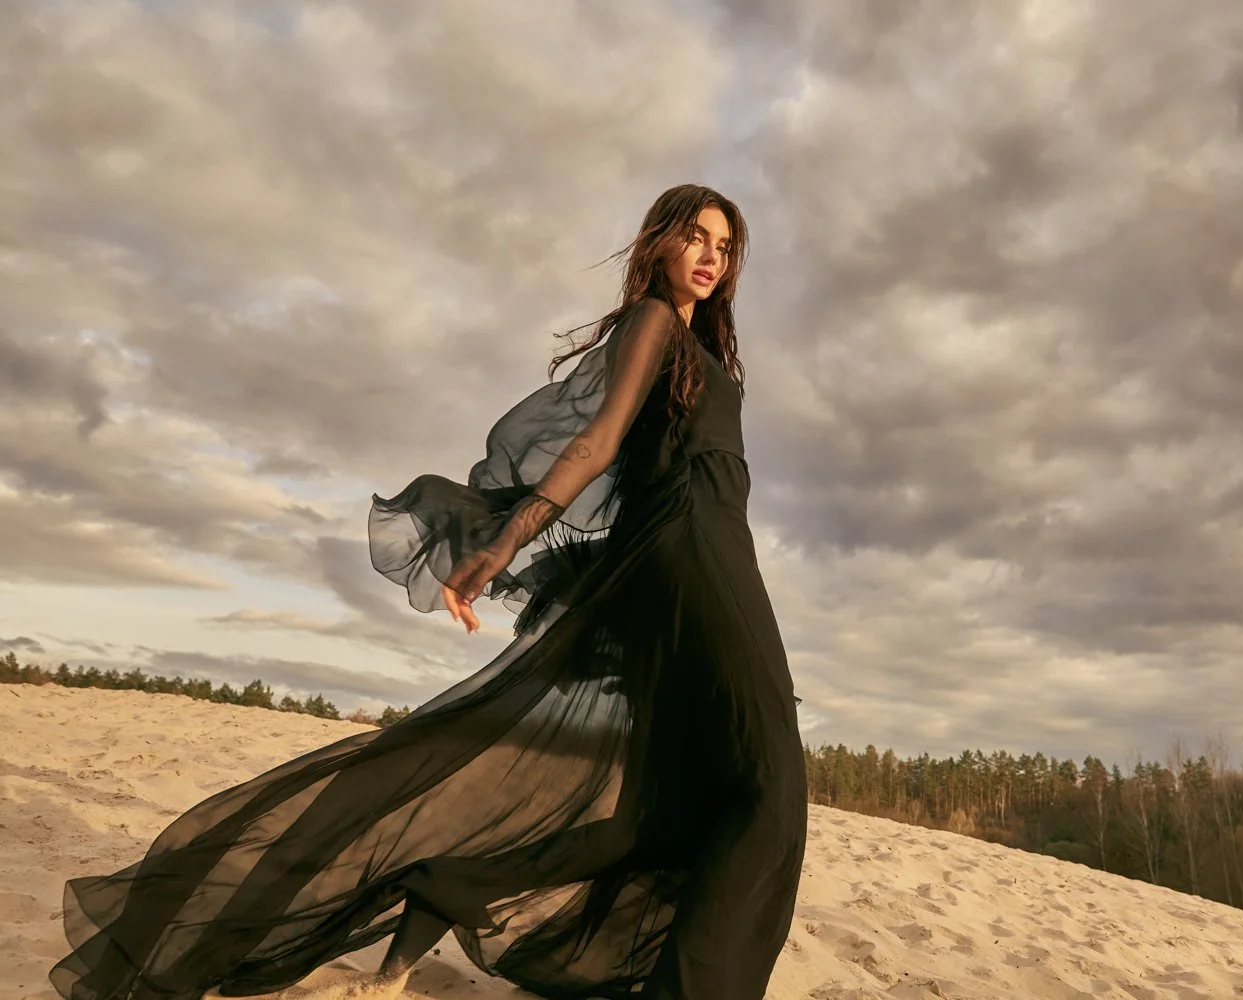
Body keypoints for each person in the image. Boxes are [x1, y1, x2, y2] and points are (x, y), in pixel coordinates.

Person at [49, 184, 808, 1000]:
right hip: (695, 557)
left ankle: (450, 883)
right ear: (658, 243)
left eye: (723, 246)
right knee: (773, 794)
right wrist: (507, 538)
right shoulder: (654, 322)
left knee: (673, 810)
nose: (708, 256)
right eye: (693, 236)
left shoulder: (696, 353)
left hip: (706, 554)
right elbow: (594, 445)